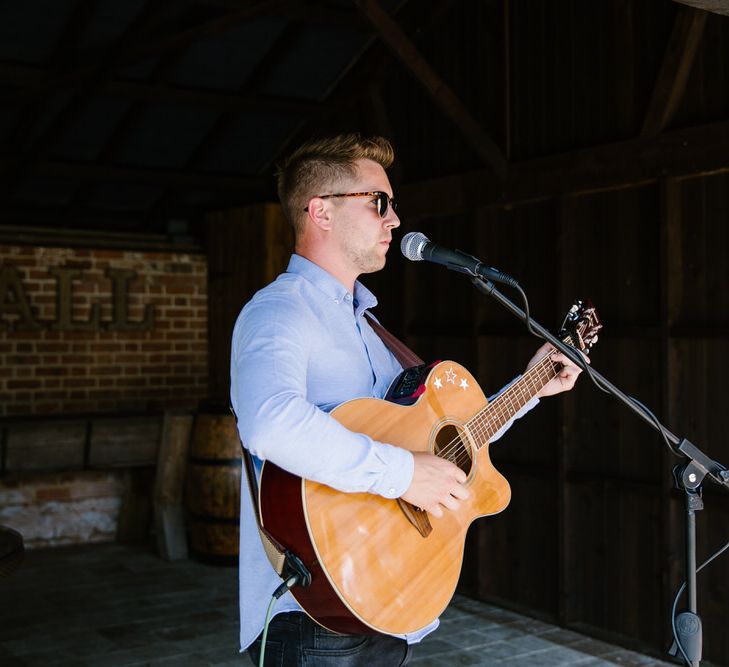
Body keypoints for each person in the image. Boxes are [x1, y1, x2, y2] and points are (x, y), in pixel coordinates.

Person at [230, 134, 583, 666]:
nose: (394, 220)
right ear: (321, 211)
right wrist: (400, 474)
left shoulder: (369, 331)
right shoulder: (279, 312)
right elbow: (270, 424)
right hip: (315, 614)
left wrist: (530, 386)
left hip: (390, 598)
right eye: (379, 203)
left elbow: (443, 444)